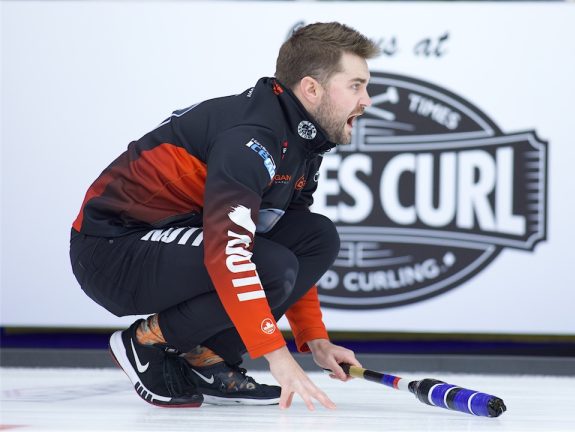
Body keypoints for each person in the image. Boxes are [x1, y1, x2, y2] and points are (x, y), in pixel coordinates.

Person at [69, 22, 379, 409]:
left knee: (315, 236)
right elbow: (229, 252)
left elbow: (289, 243)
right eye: (356, 85)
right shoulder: (252, 137)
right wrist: (276, 355)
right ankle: (144, 341)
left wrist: (314, 339)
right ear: (311, 89)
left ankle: (204, 357)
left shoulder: (299, 138)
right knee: (267, 263)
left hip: (171, 235)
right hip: (111, 248)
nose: (367, 99)